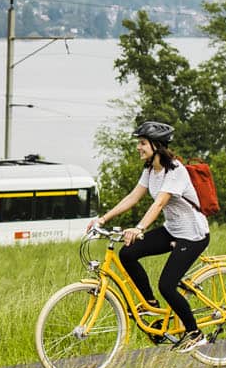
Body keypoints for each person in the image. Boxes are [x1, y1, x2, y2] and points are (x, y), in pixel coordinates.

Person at [88, 118, 211, 346]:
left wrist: (139, 228)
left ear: (156, 146)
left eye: (143, 143)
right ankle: (150, 306)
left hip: (193, 235)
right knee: (127, 253)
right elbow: (133, 197)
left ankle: (195, 333)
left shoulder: (175, 170)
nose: (138, 147)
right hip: (172, 230)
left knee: (167, 284)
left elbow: (159, 204)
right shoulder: (150, 170)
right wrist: (103, 218)